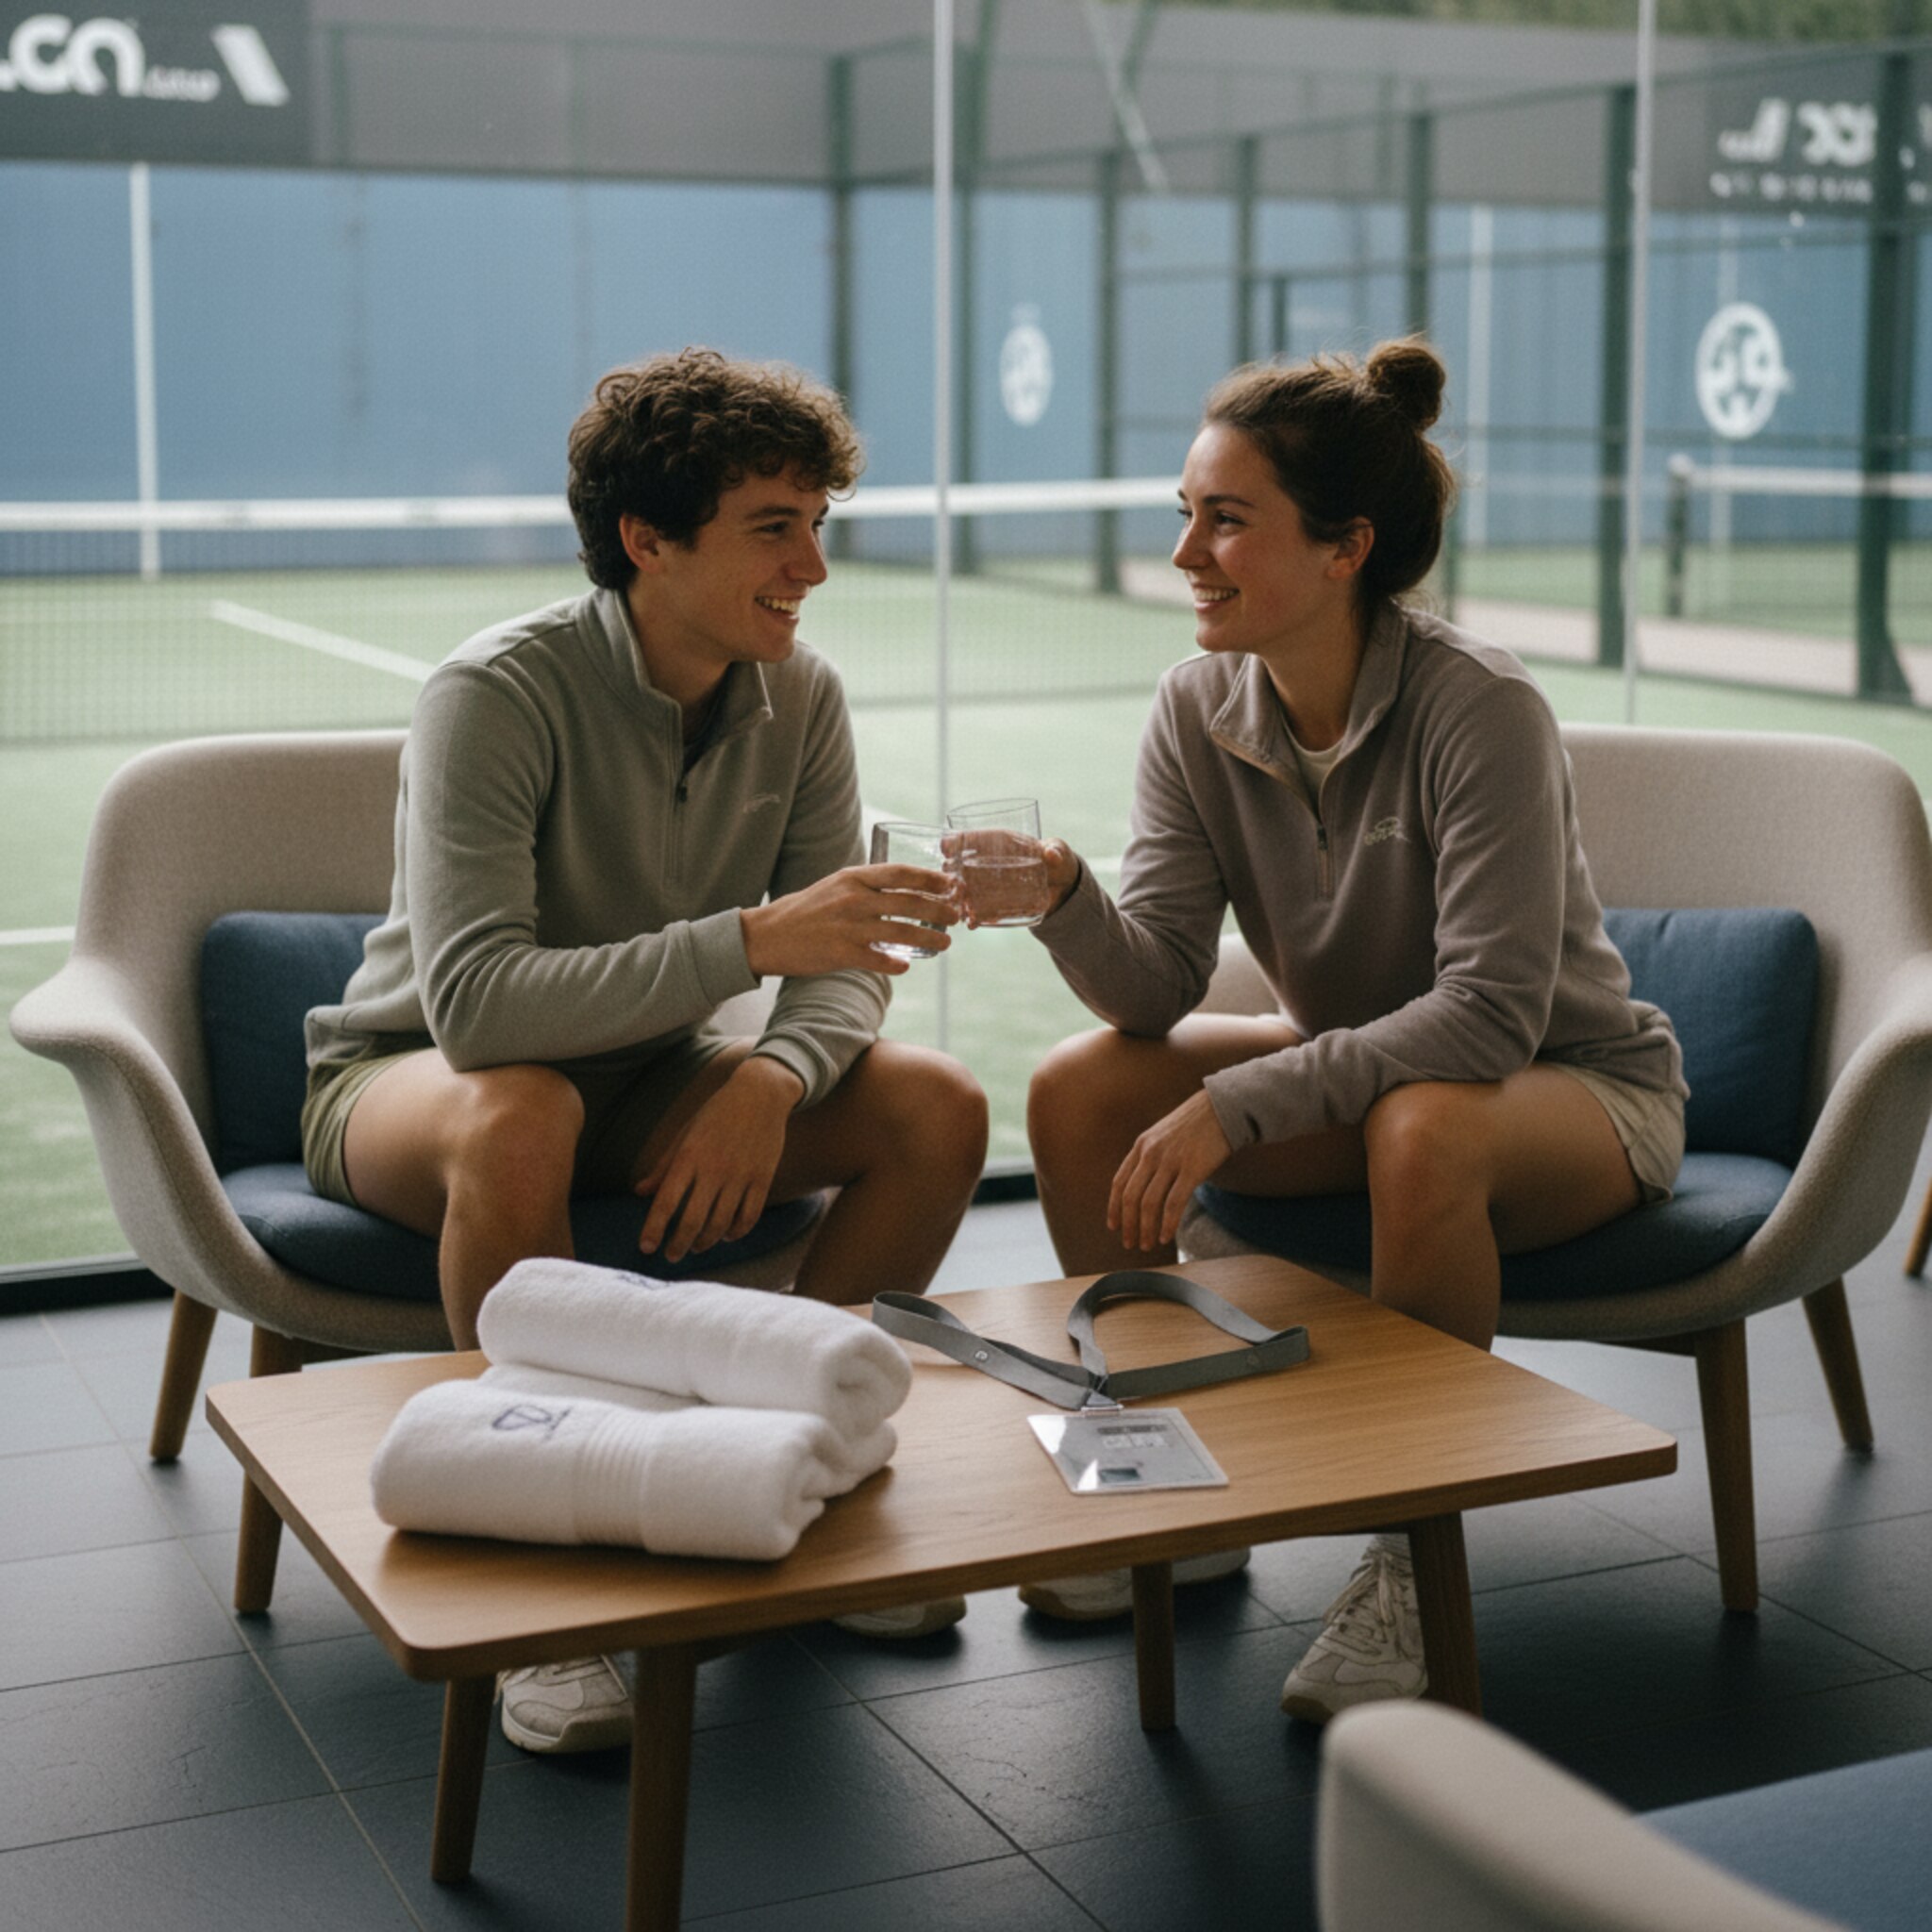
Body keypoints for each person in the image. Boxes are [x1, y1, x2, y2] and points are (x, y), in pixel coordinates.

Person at [301, 348, 989, 1752]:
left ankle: (796, 1478)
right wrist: (751, 944)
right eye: (773, 528)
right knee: (523, 1115)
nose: (812, 566)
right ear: (647, 540)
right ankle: (541, 1602)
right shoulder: (493, 692)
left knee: (935, 1105)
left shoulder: (804, 697)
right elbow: (478, 1009)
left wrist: (771, 1076)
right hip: (412, 1082)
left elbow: (841, 956)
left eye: (818, 524)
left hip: (657, 1073)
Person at [1013, 340, 1687, 1718]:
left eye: (1226, 519)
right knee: (1082, 1089)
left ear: (1345, 549)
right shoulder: (1195, 706)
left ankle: (1410, 1564)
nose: (1185, 553)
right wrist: (1064, 893)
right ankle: (1171, 1493)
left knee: (1424, 1126)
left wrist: (1235, 1105)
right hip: (1374, 1086)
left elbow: (1488, 1019)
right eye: (1186, 514)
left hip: (1573, 1093)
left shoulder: (1479, 705)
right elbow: (1155, 989)